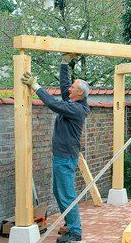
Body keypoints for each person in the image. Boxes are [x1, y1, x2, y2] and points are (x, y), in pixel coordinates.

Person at [22, 54, 90, 243]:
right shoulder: (73, 101)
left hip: (65, 158)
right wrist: (64, 62)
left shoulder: (76, 110)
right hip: (62, 156)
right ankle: (70, 223)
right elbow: (64, 85)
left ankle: (75, 231)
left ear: (80, 94)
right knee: (58, 190)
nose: (69, 89)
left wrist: (35, 86)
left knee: (66, 193)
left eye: (73, 88)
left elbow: (52, 103)